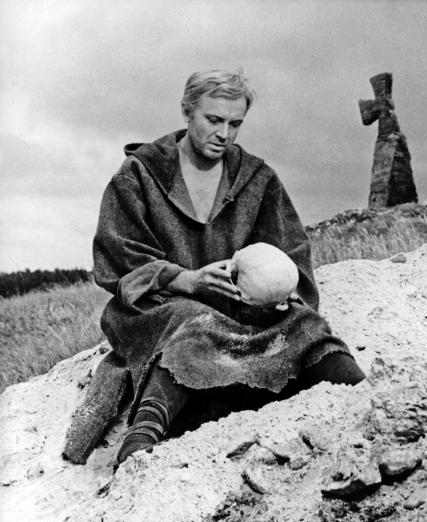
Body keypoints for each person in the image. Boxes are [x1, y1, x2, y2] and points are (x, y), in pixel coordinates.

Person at [63, 69, 365, 467]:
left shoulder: (257, 178)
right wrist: (185, 280)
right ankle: (141, 440)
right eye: (214, 120)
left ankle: (368, 397)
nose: (224, 133)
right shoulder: (139, 175)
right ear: (187, 111)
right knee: (190, 322)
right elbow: (118, 257)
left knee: (305, 324)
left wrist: (278, 291)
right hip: (162, 307)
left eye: (235, 124)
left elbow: (289, 248)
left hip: (239, 309)